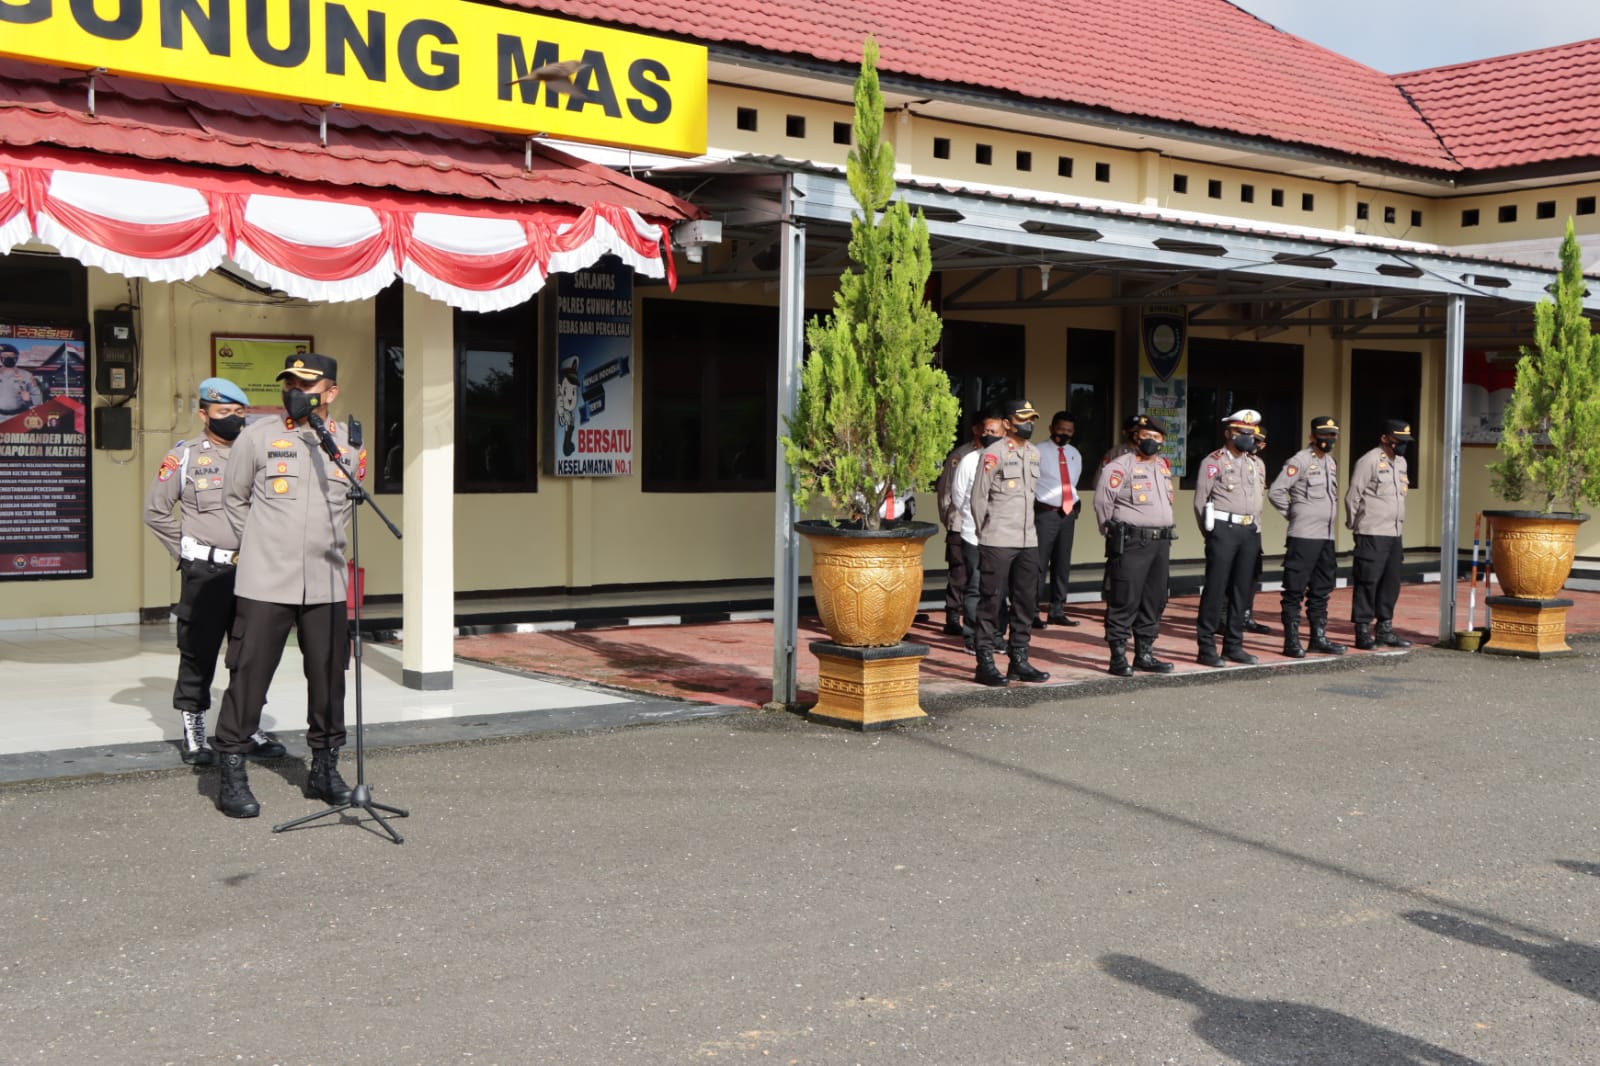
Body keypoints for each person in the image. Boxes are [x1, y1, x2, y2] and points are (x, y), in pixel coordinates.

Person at [211, 353, 366, 818]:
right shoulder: (257, 437)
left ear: (330, 391)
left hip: (326, 581)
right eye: (289, 382)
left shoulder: (348, 444)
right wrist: (261, 546)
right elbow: (234, 499)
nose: (294, 390)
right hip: (265, 581)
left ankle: (324, 769)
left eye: (305, 382)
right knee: (249, 675)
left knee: (328, 680)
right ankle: (232, 770)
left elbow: (348, 509)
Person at [143, 377, 286, 766]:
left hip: (253, 572)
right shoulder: (185, 456)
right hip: (205, 573)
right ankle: (194, 731)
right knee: (198, 652)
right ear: (204, 414)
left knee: (251, 653)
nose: (234, 419)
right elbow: (155, 512)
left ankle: (246, 726)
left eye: (240, 413)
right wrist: (187, 552)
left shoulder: (258, 453)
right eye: (224, 413)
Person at [970, 399, 1050, 687]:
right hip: (998, 539)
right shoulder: (994, 453)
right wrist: (986, 532)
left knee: (1026, 602)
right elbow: (978, 497)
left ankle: (1019, 659)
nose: (1028, 424)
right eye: (1022, 419)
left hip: (1028, 539)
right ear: (1007, 423)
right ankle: (985, 663)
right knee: (991, 601)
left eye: (1032, 419)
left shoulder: (1035, 453)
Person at [1094, 415, 1177, 676]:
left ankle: (1145, 653)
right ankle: (1118, 656)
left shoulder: (1163, 466)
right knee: (1124, 598)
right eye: (1145, 436)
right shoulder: (1120, 465)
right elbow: (1102, 501)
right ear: (1136, 437)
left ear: (1162, 440)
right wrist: (1111, 531)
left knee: (1154, 599)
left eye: (1156, 437)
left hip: (1161, 542)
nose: (1150, 441)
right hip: (1132, 541)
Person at [1193, 409, 1266, 667]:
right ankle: (1206, 647)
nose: (1246, 437)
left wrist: (1255, 527)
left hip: (1249, 531)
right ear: (1228, 433)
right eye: (1241, 433)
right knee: (1215, 589)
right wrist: (1211, 533)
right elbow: (1201, 501)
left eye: (1250, 433)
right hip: (1223, 529)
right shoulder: (1213, 462)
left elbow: (1259, 499)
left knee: (1242, 591)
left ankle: (1234, 645)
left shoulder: (1256, 464)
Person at [1269, 416, 1347, 658]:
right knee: (1294, 590)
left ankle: (1318, 637)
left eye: (1332, 435)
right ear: (1312, 436)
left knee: (1322, 589)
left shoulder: (1330, 463)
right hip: (1303, 536)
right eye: (1324, 435)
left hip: (1326, 536)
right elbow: (1277, 491)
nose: (1328, 439)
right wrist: (1294, 514)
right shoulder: (1299, 460)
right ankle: (1291, 641)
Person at [1345, 418, 1414, 651]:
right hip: (1371, 531)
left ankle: (1385, 629)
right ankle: (1362, 630)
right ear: (1385, 438)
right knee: (1368, 581)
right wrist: (1356, 526)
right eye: (1398, 441)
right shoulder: (1369, 461)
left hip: (1394, 532)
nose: (1402, 445)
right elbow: (1353, 495)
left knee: (1391, 582)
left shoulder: (1401, 462)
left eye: (1405, 441)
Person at [951, 412, 1005, 653]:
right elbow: (958, 496)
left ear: (1005, 433)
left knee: (999, 588)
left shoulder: (1010, 459)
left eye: (995, 432)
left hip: (1003, 536)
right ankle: (972, 634)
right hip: (974, 533)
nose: (990, 436)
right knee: (975, 586)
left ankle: (996, 634)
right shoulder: (969, 460)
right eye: (987, 432)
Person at [935, 412, 984, 636]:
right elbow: (947, 492)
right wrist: (950, 520)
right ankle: (953, 616)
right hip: (959, 522)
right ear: (975, 429)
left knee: (979, 575)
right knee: (959, 573)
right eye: (984, 428)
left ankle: (975, 619)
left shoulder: (997, 455)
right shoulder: (961, 455)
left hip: (985, 527)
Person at [1033, 411, 1083, 628]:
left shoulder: (1075, 453)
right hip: (1045, 513)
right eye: (1061, 429)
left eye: (1069, 431)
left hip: (1067, 514)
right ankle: (1032, 611)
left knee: (1062, 564)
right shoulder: (1037, 451)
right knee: (1038, 564)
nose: (1064, 434)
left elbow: (1073, 483)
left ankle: (1057, 609)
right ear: (1051, 428)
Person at [0, 342, 45, 415]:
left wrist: (29, 399)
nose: (8, 358)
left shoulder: (27, 375)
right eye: (4, 355)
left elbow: (37, 397)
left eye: (11, 355)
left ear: (16, 357)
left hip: (19, 415)